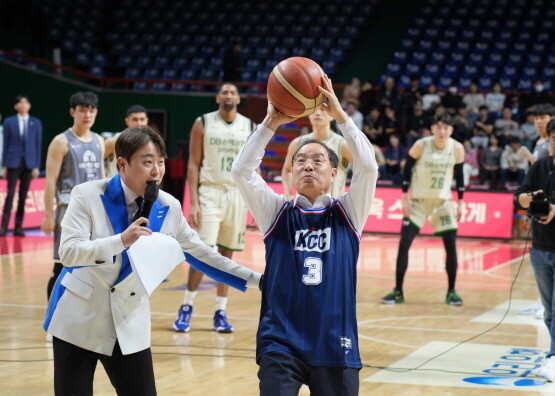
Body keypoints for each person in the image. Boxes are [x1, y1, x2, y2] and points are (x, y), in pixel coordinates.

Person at [44, 126, 262, 396]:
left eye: (160, 162)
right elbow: (69, 253)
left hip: (128, 322)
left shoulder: (169, 206)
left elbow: (204, 256)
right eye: (147, 162)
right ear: (122, 164)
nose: (157, 171)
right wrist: (120, 240)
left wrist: (260, 281)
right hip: (77, 321)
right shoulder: (87, 195)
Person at [232, 74, 378, 396]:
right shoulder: (276, 212)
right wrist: (270, 122)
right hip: (281, 341)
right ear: (292, 171)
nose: (308, 166)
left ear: (335, 173)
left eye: (317, 160)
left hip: (334, 339)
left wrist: (341, 116)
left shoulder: (348, 212)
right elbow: (241, 171)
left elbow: (368, 168)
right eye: (300, 160)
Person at [173, 83, 254, 333]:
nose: (228, 95)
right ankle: (187, 306)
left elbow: (252, 167)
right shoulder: (203, 122)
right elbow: (194, 164)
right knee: (202, 253)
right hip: (210, 191)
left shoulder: (249, 125)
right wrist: (194, 201)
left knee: (227, 255)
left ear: (239, 99)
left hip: (236, 194)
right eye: (224, 92)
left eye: (233, 92)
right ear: (218, 97)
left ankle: (221, 311)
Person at [381, 113, 465, 305]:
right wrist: (404, 197)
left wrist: (461, 201)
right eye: (439, 127)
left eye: (446, 128)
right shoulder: (421, 145)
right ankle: (398, 292)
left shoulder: (457, 148)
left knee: (451, 246)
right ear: (432, 128)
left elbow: (459, 176)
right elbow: (407, 169)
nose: (442, 131)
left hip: (442, 203)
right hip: (418, 201)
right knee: (404, 244)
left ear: (451, 130)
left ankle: (452, 292)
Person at [41, 92, 105, 300]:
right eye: (82, 110)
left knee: (91, 265)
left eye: (91, 110)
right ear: (73, 112)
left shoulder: (98, 141)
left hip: (93, 211)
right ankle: (52, 314)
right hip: (67, 210)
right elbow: (50, 180)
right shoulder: (61, 141)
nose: (87, 115)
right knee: (61, 264)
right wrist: (48, 215)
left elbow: (102, 180)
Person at [514, 125, 555, 382]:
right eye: (553, 139)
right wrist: (530, 198)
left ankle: (552, 358)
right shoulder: (540, 166)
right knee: (549, 312)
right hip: (540, 248)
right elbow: (518, 197)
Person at [281, 107, 352, 200]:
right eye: (314, 110)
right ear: (309, 115)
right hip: (304, 209)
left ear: (332, 116)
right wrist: (288, 193)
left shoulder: (342, 144)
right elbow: (287, 169)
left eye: (323, 110)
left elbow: (364, 168)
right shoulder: (297, 143)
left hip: (333, 209)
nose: (318, 113)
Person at [0, 95, 42, 236]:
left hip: (29, 164)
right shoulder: (9, 122)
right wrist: (5, 166)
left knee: (23, 196)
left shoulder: (36, 122)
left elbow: (38, 145)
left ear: (29, 105)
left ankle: (18, 227)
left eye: (25, 102)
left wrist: (36, 166)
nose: (23, 105)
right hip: (13, 163)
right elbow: (5, 145)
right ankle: (4, 227)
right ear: (15, 106)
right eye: (20, 103)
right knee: (10, 195)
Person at [105, 105, 149, 178]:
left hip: (140, 187)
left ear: (147, 120)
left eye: (142, 119)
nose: (139, 123)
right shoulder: (114, 141)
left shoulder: (151, 144)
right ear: (127, 121)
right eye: (135, 119)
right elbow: (97, 162)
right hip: (116, 187)